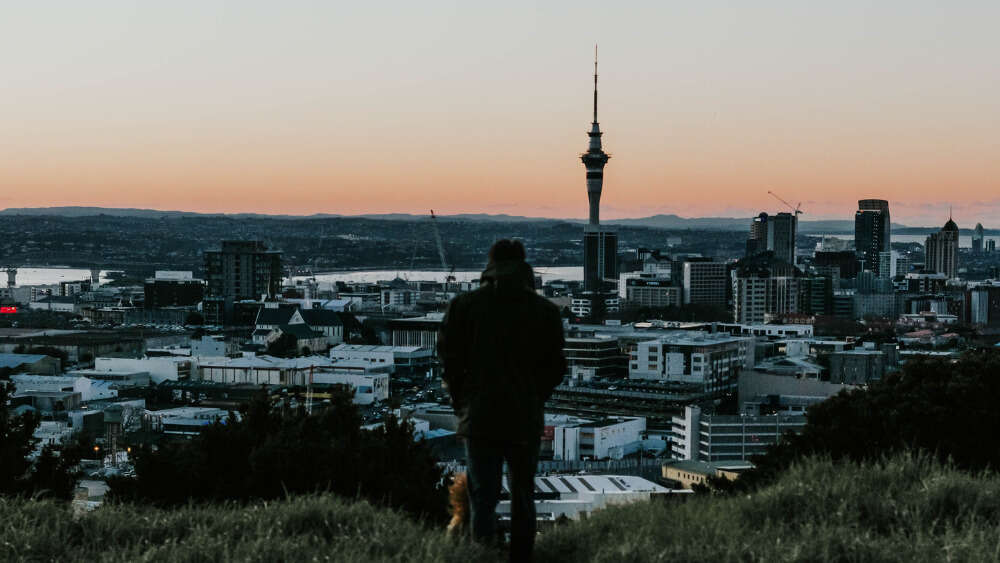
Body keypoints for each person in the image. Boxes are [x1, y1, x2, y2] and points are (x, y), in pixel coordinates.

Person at [438, 239, 566, 562]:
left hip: (479, 416)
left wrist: (462, 403)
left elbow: (450, 362)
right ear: (524, 268)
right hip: (524, 415)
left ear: (490, 267)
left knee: (482, 497)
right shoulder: (545, 312)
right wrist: (535, 398)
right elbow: (556, 368)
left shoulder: (464, 307)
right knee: (524, 495)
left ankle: (481, 556)